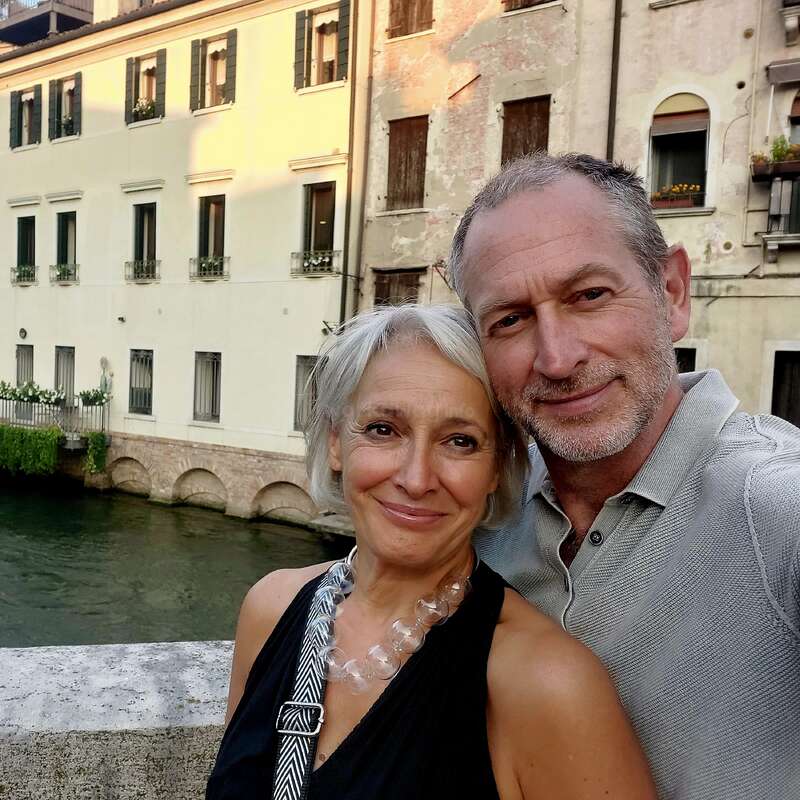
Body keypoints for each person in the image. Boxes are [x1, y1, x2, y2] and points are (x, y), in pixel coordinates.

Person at [449, 151, 800, 800]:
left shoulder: (776, 506)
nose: (557, 358)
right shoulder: (479, 510)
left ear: (672, 293)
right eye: (511, 320)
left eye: (589, 296)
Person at [206, 305, 656, 799]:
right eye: (383, 429)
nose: (416, 478)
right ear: (336, 442)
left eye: (460, 441)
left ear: (495, 469)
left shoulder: (544, 682)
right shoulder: (270, 609)